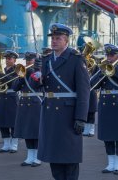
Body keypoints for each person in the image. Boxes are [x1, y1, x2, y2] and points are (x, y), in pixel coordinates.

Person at [29, 23, 90, 180]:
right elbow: (37, 86)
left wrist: (81, 118)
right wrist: (35, 74)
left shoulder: (76, 59)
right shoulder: (46, 60)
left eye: (58, 38)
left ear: (66, 40)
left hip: (68, 115)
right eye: (53, 38)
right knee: (54, 157)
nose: (54, 41)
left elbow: (84, 92)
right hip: (50, 114)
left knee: (69, 159)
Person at [90, 44, 118, 175]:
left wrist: (114, 69)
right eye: (107, 55)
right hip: (106, 103)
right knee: (107, 135)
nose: (109, 58)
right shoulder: (102, 67)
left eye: (111, 55)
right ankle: (110, 164)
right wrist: (101, 71)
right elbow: (91, 84)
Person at [12, 51, 42, 167]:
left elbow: (39, 85)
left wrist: (35, 71)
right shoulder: (23, 73)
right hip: (24, 103)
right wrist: (20, 77)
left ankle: (38, 157)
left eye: (30, 60)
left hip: (35, 103)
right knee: (27, 131)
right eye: (26, 60)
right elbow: (15, 88)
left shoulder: (39, 72)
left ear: (35, 60)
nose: (27, 62)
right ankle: (30, 156)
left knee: (35, 131)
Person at [0, 50, 19, 153]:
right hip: (2, 96)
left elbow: (13, 83)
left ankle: (14, 144)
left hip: (12, 96)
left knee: (13, 122)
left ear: (14, 60)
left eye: (9, 58)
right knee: (2, 122)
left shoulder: (17, 69)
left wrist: (0, 75)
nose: (7, 60)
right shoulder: (3, 69)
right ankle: (6, 144)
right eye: (6, 58)